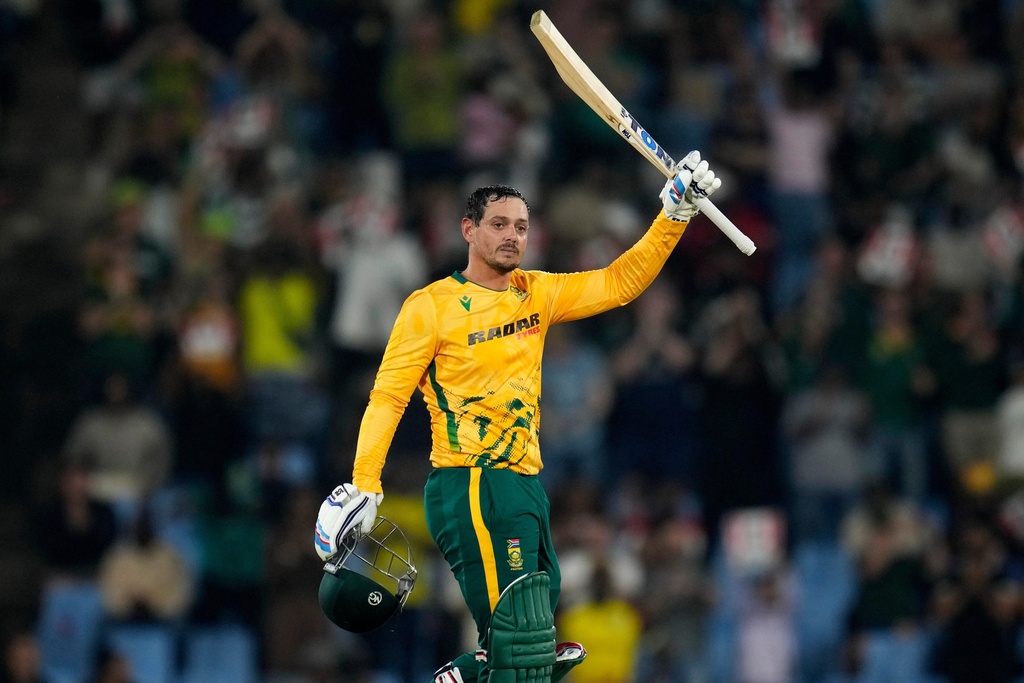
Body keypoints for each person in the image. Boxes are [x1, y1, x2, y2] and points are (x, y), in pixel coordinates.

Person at [314, 151, 721, 683]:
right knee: (522, 643)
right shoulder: (431, 305)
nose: (512, 235)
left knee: (528, 644)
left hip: (525, 484)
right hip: (472, 481)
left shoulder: (538, 293)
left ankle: (464, 676)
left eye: (522, 227)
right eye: (500, 224)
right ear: (468, 229)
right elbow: (388, 397)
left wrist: (673, 215)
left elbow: (620, 283)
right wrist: (365, 483)